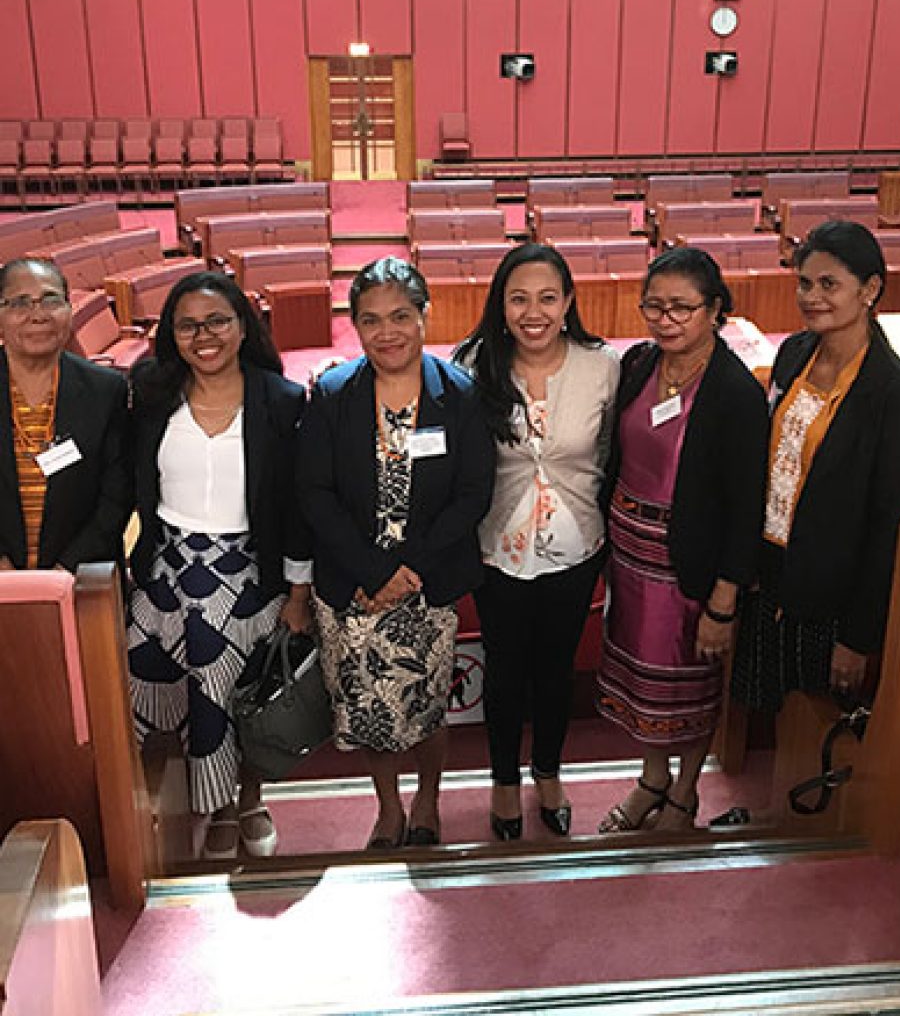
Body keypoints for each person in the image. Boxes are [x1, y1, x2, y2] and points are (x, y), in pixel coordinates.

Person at [298, 257, 494, 849]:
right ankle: (388, 808)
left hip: (427, 584)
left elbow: (472, 493)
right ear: (354, 325)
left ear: (424, 316)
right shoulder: (333, 393)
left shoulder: (458, 394)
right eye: (371, 320)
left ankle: (428, 799)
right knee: (367, 710)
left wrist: (407, 572)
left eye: (401, 316)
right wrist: (374, 571)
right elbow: (314, 491)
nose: (388, 332)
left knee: (428, 706)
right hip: (354, 588)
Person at [127, 270, 311, 861]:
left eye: (217, 321)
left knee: (240, 695)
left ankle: (247, 799)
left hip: (248, 573)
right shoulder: (151, 391)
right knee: (166, 688)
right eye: (187, 325)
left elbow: (294, 503)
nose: (203, 335)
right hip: (167, 572)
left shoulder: (280, 400)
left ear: (241, 327)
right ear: (171, 334)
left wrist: (299, 592)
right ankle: (203, 802)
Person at [595, 248, 768, 833]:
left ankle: (685, 794)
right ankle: (652, 779)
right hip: (630, 557)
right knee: (643, 685)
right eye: (654, 306)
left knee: (689, 686)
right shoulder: (640, 363)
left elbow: (747, 508)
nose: (666, 320)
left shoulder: (735, 393)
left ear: (715, 310)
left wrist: (724, 601)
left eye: (682, 309)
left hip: (689, 569)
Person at [453, 243, 620, 840]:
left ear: (569, 303)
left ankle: (547, 771)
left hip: (576, 545)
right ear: (500, 306)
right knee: (503, 669)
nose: (534, 311)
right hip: (497, 546)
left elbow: (607, 456)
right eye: (518, 298)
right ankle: (502, 779)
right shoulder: (473, 364)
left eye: (548, 298)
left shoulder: (602, 365)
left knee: (555, 669)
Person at [731, 220, 900, 713]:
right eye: (804, 283)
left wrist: (859, 637)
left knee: (816, 723)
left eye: (828, 284)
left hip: (831, 592)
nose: (811, 297)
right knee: (768, 709)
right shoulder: (793, 353)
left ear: (870, 290)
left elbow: (888, 526)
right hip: (770, 571)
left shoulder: (894, 395)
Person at [0, 258, 131, 573]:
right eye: (20, 303)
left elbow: (118, 490)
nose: (38, 316)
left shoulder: (105, 388)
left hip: (82, 575)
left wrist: (68, 567)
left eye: (51, 300)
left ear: (70, 309)